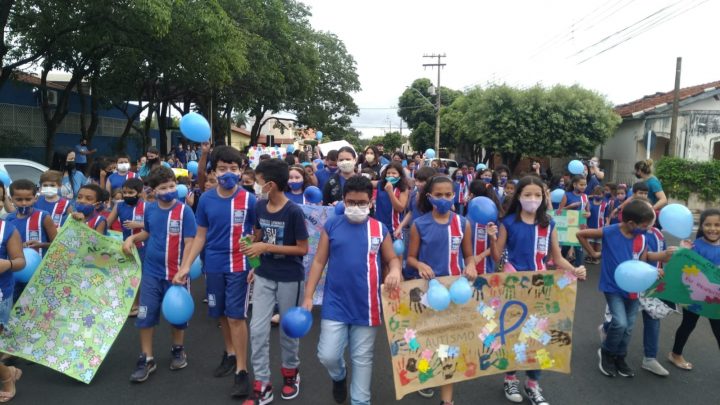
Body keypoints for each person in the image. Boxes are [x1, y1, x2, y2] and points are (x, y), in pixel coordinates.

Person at [302, 175, 402, 405]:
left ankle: (360, 401)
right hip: (335, 302)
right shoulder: (332, 225)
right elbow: (318, 262)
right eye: (351, 202)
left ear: (371, 202)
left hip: (367, 305)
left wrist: (395, 271)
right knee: (327, 355)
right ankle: (339, 376)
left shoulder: (379, 229)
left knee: (362, 358)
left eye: (362, 203)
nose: (356, 207)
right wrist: (308, 296)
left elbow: (392, 259)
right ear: (343, 201)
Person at [488, 176, 586, 405]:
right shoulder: (509, 222)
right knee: (514, 334)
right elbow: (496, 256)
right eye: (527, 195)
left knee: (538, 336)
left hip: (542, 288)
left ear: (544, 198)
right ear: (518, 197)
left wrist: (576, 270)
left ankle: (533, 384)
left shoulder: (548, 223)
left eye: (538, 195)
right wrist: (493, 238)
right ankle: (510, 378)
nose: (533, 199)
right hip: (514, 287)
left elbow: (557, 257)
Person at [174, 146, 256, 398]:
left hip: (241, 266)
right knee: (220, 313)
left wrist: (257, 267)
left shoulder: (250, 200)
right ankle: (230, 353)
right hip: (214, 264)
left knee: (236, 317)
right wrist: (186, 265)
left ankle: (242, 371)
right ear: (214, 171)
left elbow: (257, 236)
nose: (228, 173)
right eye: (222, 169)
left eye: (233, 168)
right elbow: (200, 235)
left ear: (241, 171)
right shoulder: (207, 199)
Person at [577, 198, 673, 379]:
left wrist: (654, 270)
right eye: (645, 225)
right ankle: (606, 353)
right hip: (612, 286)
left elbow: (643, 260)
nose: (647, 229)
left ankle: (620, 357)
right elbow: (580, 235)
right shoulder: (610, 232)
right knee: (620, 322)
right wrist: (594, 253)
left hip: (634, 288)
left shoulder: (642, 237)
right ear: (631, 223)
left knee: (628, 327)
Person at [241, 159, 309, 405]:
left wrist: (265, 246)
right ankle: (262, 384)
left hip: (291, 278)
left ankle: (291, 373)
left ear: (270, 184)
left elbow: (303, 249)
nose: (256, 186)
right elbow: (258, 238)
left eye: (258, 182)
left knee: (288, 331)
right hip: (264, 275)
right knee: (257, 330)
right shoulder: (259, 207)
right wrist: (252, 256)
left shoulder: (293, 211)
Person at [406, 175, 477, 405]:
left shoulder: (463, 223)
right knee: (428, 341)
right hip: (429, 293)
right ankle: (427, 377)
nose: (444, 199)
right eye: (438, 195)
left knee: (449, 344)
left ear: (454, 196)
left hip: (455, 293)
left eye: (448, 194)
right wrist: (420, 265)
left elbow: (468, 254)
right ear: (429, 197)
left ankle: (447, 401)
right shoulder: (419, 225)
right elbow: (410, 259)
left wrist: (472, 265)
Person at [122, 166, 197, 383]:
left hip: (176, 275)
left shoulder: (185, 211)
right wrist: (132, 239)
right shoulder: (151, 210)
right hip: (152, 273)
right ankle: (147, 358)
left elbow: (190, 242)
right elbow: (148, 231)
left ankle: (178, 348)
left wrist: (184, 269)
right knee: (145, 315)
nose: (169, 190)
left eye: (172, 186)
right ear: (153, 191)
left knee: (177, 316)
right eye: (163, 188)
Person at [668, 208, 720, 371]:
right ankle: (675, 354)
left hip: (716, 299)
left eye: (717, 225)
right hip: (695, 296)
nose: (713, 228)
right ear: (701, 226)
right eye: (708, 225)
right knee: (688, 325)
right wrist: (683, 252)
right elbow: (683, 270)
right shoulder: (695, 246)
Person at [7, 179, 57, 301]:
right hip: (16, 272)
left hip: (40, 272)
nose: (24, 203)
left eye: (28, 199)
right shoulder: (8, 219)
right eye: (19, 200)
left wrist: (41, 244)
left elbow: (58, 243)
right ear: (11, 199)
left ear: (35, 198)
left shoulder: (43, 216)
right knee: (15, 305)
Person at [106, 178, 146, 317]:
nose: (127, 195)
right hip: (125, 246)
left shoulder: (147, 206)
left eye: (131, 192)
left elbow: (156, 226)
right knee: (129, 275)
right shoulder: (119, 206)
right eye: (125, 193)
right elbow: (107, 223)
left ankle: (141, 304)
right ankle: (132, 304)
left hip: (143, 247)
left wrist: (139, 225)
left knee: (142, 276)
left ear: (140, 193)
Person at [0, 214, 25, 402]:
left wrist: (7, 264)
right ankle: (8, 370)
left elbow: (20, 262)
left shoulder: (6, 229)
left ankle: (7, 378)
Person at [468, 179, 502, 275]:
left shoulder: (493, 217)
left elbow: (497, 244)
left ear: (472, 195)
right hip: (469, 266)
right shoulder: (469, 215)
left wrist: (479, 257)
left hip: (486, 266)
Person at [558, 175, 591, 267]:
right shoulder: (567, 195)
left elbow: (588, 211)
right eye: (581, 184)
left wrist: (588, 214)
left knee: (579, 246)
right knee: (566, 246)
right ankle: (561, 264)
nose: (584, 186)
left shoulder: (585, 196)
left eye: (585, 184)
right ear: (574, 184)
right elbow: (559, 211)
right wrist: (570, 207)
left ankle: (579, 267)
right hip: (568, 225)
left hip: (580, 226)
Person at [375, 162, 409, 238]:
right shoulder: (381, 184)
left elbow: (400, 208)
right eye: (388, 173)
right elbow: (368, 183)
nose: (390, 175)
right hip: (379, 226)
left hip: (394, 229)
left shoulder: (403, 189)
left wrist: (390, 192)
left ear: (400, 175)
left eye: (394, 173)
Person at [585, 186, 608, 265]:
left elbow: (607, 216)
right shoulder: (589, 203)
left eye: (600, 194)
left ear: (603, 195)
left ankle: (596, 258)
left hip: (600, 226)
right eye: (596, 194)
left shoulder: (605, 204)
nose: (598, 196)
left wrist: (607, 223)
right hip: (590, 226)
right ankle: (590, 255)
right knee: (590, 242)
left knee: (598, 243)